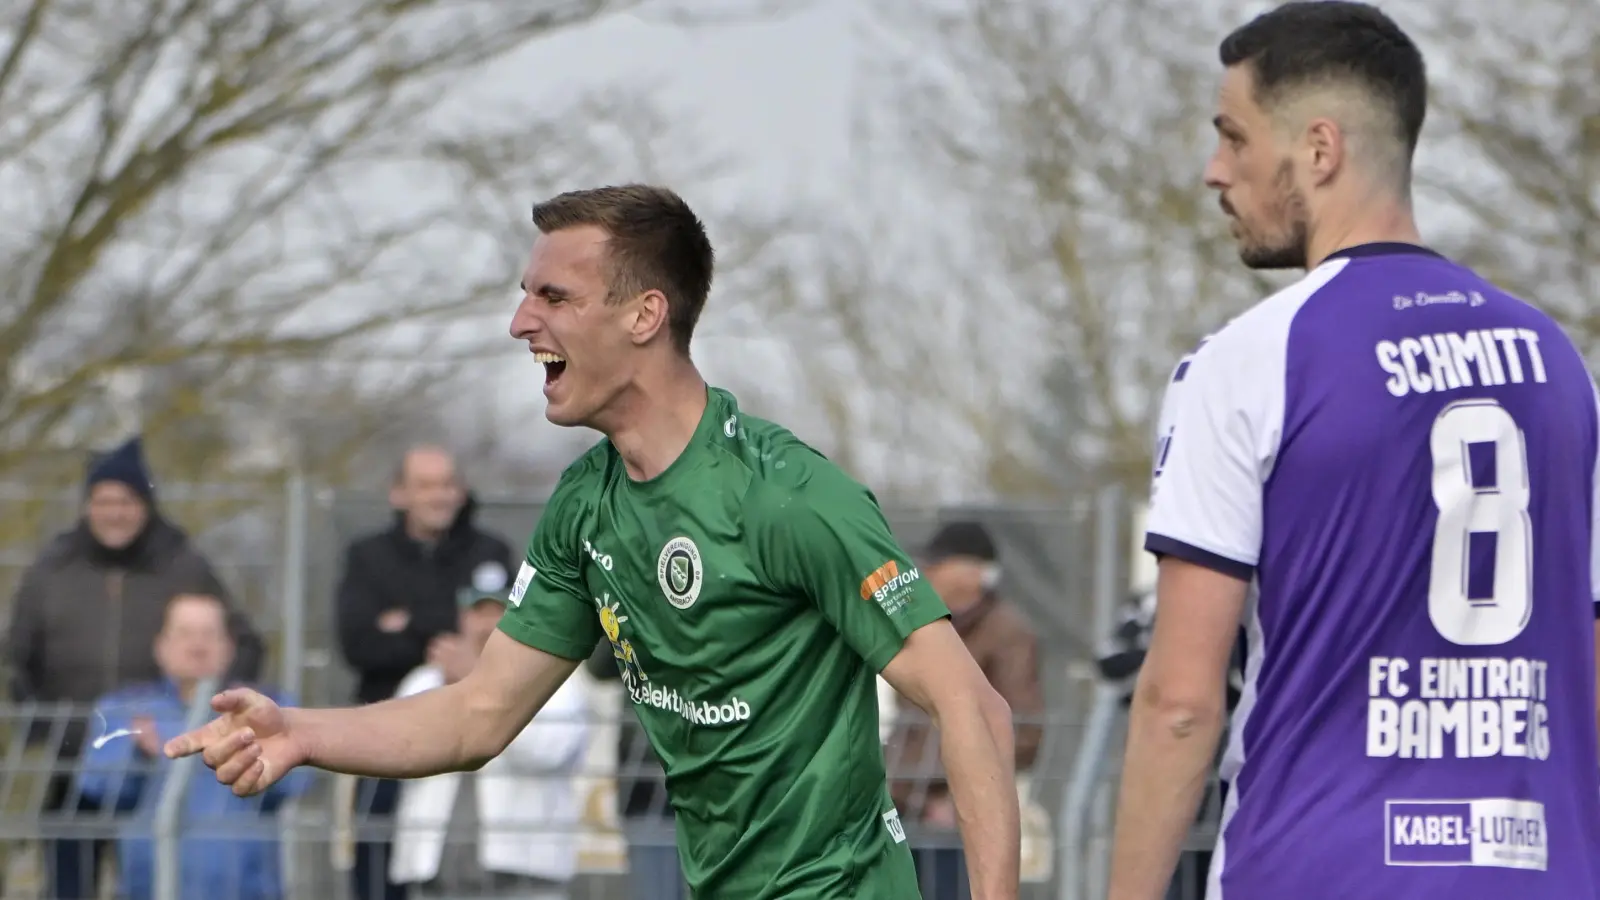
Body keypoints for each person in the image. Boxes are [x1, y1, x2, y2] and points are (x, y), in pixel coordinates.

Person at [165, 184, 1020, 900]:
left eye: (554, 298)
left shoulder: (785, 495)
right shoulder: (585, 505)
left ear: (646, 314)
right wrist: (303, 733)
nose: (519, 322)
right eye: (526, 295)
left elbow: (973, 705)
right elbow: (479, 712)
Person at [1108, 3, 1600, 899]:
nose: (1216, 172)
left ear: (1321, 149)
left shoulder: (1250, 361)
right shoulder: (1562, 368)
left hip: (1316, 869)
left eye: (1235, 138)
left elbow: (1181, 705)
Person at [3, 435, 263, 900]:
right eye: (103, 500)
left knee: (151, 879)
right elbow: (18, 657)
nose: (114, 512)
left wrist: (205, 712)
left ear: (145, 504)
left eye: (126, 500)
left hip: (159, 760)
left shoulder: (183, 565)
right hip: (72, 756)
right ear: (87, 505)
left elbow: (240, 644)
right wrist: (45, 728)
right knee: (68, 878)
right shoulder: (53, 568)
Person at [334, 445, 516, 900]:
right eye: (426, 485)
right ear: (399, 494)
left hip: (466, 730)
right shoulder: (367, 556)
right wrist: (437, 631)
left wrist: (404, 619)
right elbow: (359, 645)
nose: (440, 495)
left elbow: (506, 632)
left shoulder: (491, 552)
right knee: (376, 862)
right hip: (383, 730)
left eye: (448, 484)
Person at [77, 592, 307, 900]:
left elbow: (301, 780)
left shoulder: (264, 707)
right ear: (161, 646)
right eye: (184, 633)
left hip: (246, 890)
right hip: (150, 888)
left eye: (209, 634)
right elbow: (94, 787)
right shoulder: (125, 709)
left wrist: (260, 748)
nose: (197, 646)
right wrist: (137, 756)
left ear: (228, 648)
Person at [388, 585, 589, 900]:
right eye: (476, 613)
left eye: (498, 612)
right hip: (437, 874)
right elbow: (400, 750)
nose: (485, 625)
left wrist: (479, 682)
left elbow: (549, 751)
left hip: (524, 873)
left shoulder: (557, 680)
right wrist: (461, 684)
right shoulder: (425, 681)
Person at [888, 521, 1043, 900]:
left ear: (976, 573)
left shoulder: (1008, 634)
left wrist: (959, 795)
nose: (926, 571)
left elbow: (1023, 729)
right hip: (904, 807)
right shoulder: (925, 631)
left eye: (940, 563)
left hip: (952, 821)